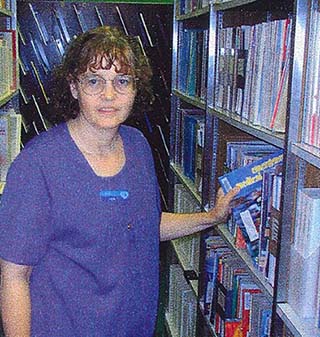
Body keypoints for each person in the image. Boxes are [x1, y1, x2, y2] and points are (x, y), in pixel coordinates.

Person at [0, 26, 238, 337]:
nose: (109, 95)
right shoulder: (37, 164)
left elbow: (141, 224)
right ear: (74, 86)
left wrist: (211, 218)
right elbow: (14, 275)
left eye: (122, 81)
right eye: (94, 81)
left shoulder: (137, 146)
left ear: (136, 88)